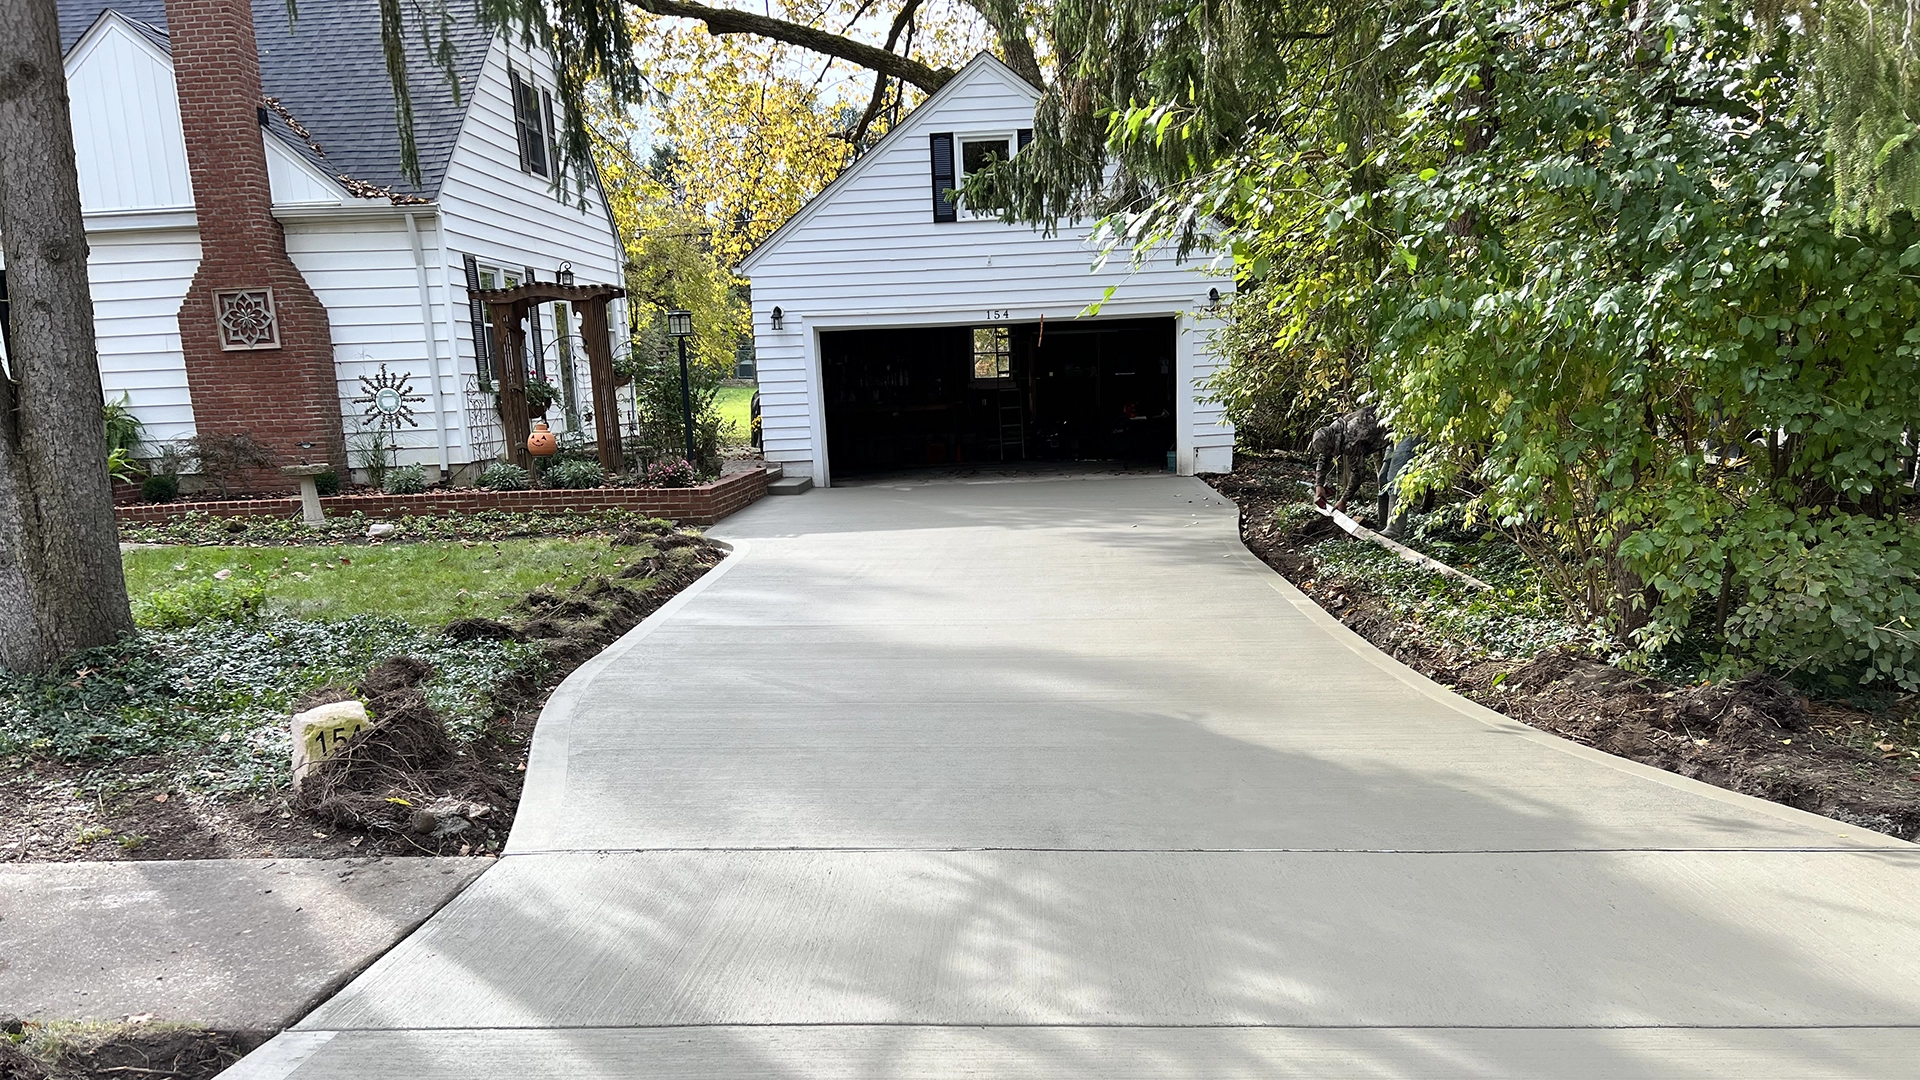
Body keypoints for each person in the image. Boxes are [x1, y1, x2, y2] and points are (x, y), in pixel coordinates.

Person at [1309, 405, 1390, 512]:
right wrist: (1319, 485)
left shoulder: (1351, 440)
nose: (1333, 454)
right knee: (1384, 478)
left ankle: (1392, 524)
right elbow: (1324, 457)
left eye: (1332, 451)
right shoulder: (1333, 430)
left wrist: (1344, 500)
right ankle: (1384, 522)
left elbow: (1358, 474)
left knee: (1390, 478)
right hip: (1387, 426)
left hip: (1399, 430)